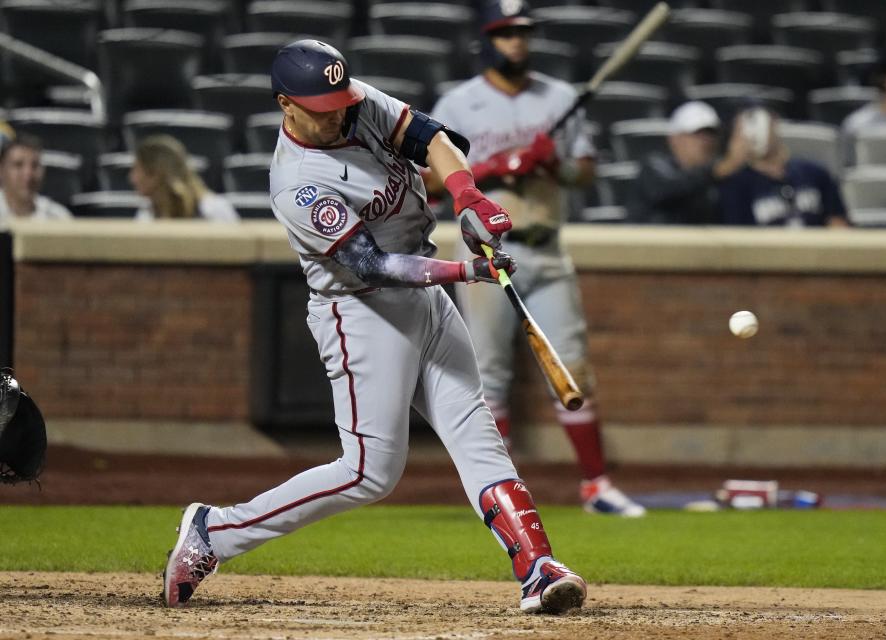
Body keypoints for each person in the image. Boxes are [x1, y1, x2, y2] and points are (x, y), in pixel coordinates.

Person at [162, 39, 587, 615]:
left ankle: (537, 567)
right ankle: (215, 531)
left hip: (426, 295)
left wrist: (468, 198)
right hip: (361, 311)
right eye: (320, 104)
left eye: (339, 97)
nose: (337, 110)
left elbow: (432, 138)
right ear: (286, 105)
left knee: (475, 431)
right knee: (369, 472)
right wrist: (466, 269)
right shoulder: (298, 183)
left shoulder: (354, 102)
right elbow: (372, 266)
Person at [427, 0, 646, 517]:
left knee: (571, 370)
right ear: (488, 39)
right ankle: (500, 493)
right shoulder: (458, 104)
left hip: (548, 246)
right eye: (505, 34)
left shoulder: (559, 96)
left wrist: (557, 165)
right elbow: (433, 180)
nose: (516, 43)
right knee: (489, 376)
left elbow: (586, 170)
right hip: (486, 250)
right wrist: (498, 166)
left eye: (522, 33)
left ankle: (597, 486)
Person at [719, 106, 849, 228]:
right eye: (747, 126)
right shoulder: (736, 186)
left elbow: (838, 222)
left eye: (759, 122)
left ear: (774, 124)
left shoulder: (815, 173)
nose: (755, 132)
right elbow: (738, 237)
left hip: (817, 249)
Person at [635, 101, 750, 224]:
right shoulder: (655, 166)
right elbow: (666, 190)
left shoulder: (721, 179)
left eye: (711, 134)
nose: (706, 141)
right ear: (675, 139)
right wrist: (718, 170)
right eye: (697, 134)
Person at [129, 134, 239, 221]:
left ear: (155, 174)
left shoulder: (214, 209)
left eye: (137, 170)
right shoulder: (146, 213)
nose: (132, 178)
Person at [0, 134, 72, 223]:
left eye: (34, 166)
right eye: (18, 165)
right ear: (2, 170)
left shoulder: (58, 217)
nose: (28, 173)